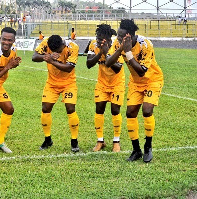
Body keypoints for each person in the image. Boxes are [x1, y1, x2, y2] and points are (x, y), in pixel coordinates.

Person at [106, 19, 164, 163]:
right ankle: (136, 150)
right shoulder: (118, 43)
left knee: (147, 110)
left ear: (130, 36)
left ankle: (148, 147)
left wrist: (128, 52)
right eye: (118, 36)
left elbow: (142, 71)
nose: (118, 38)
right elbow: (108, 63)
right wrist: (120, 49)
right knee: (130, 112)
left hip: (152, 80)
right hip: (135, 83)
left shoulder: (145, 44)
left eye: (121, 36)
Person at [32, 35, 80, 152]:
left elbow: (69, 68)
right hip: (52, 84)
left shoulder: (73, 47)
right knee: (45, 109)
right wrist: (46, 57)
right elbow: (34, 57)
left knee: (70, 109)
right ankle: (48, 139)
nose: (57, 52)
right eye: (54, 51)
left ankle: (74, 141)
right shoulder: (46, 43)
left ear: (62, 45)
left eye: (58, 50)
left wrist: (52, 61)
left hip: (68, 84)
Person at [86, 24, 125, 152]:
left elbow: (117, 68)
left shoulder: (117, 46)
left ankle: (116, 141)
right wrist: (100, 54)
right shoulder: (93, 45)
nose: (98, 41)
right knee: (99, 109)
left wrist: (107, 52)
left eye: (101, 39)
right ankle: (100, 141)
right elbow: (89, 64)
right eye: (97, 38)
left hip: (117, 83)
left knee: (115, 110)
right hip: (102, 83)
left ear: (108, 39)